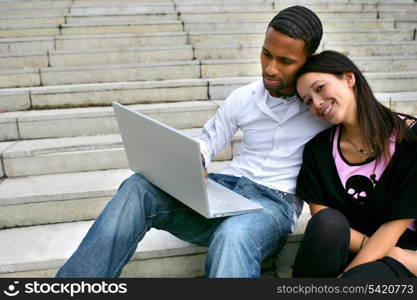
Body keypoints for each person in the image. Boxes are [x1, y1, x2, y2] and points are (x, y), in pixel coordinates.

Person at [56, 6, 330, 278]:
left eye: (285, 61)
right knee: (138, 187)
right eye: (266, 54)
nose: (270, 68)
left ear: (310, 59)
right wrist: (194, 162)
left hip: (274, 206)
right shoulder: (243, 98)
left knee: (233, 235)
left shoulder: (322, 108)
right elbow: (207, 142)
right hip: (229, 191)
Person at [292, 50, 417, 278]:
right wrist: (390, 252)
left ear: (349, 78)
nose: (317, 104)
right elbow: (324, 219)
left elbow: (395, 225)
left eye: (320, 88)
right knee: (327, 222)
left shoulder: (410, 138)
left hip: (402, 258)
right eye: (308, 101)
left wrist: (346, 277)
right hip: (360, 250)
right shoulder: (318, 151)